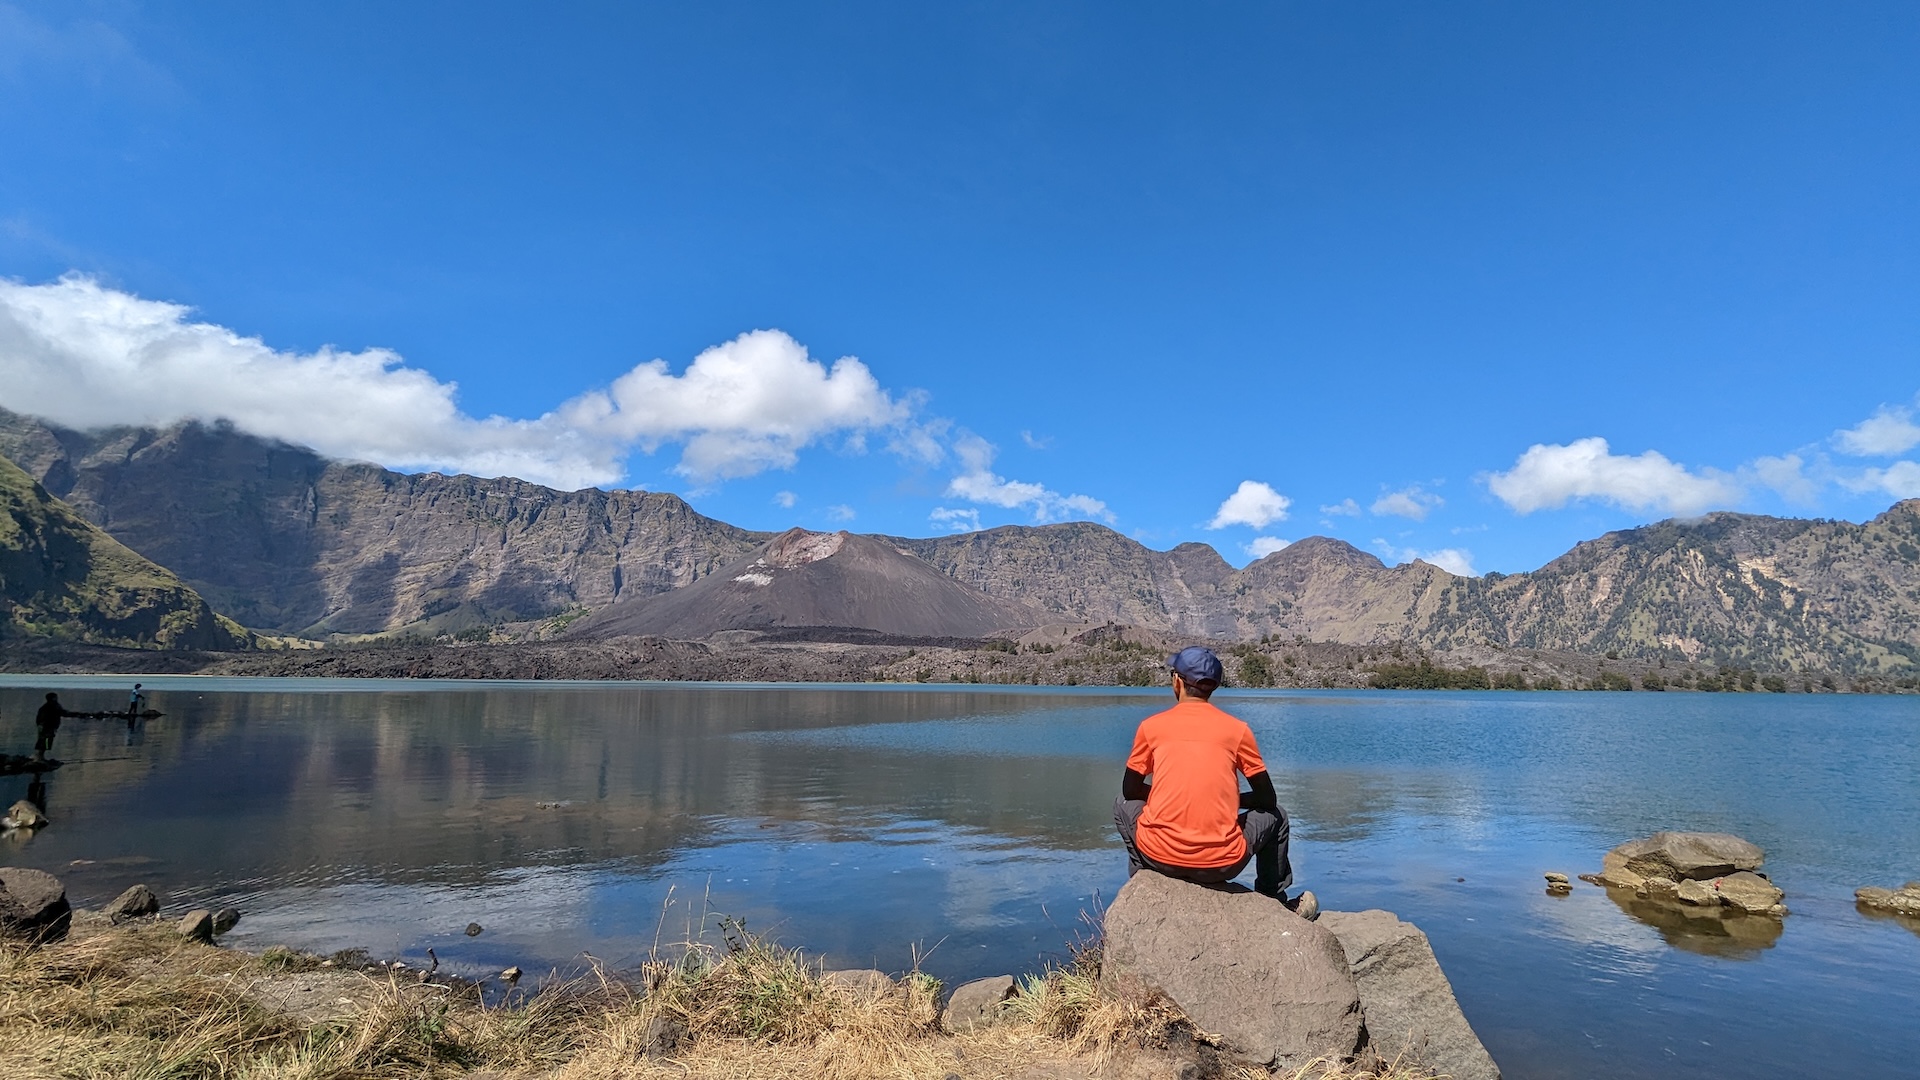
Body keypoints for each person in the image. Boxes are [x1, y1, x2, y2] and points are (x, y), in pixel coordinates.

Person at [1113, 646, 1317, 920]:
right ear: (1213, 687)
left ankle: (1143, 881)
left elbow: (1131, 790)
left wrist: (1170, 796)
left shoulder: (1151, 727)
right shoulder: (1237, 730)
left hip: (1159, 857)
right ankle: (1274, 903)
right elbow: (1268, 801)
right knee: (1278, 817)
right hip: (1222, 864)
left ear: (1177, 681)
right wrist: (1227, 799)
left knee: (1122, 804)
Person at [34, 692, 73, 760]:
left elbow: (38, 719)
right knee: (45, 741)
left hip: (44, 727)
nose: (57, 698)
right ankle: (40, 757)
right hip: (48, 727)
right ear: (53, 698)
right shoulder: (53, 706)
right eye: (56, 697)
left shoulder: (45, 707)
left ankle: (39, 756)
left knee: (43, 741)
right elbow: (62, 713)